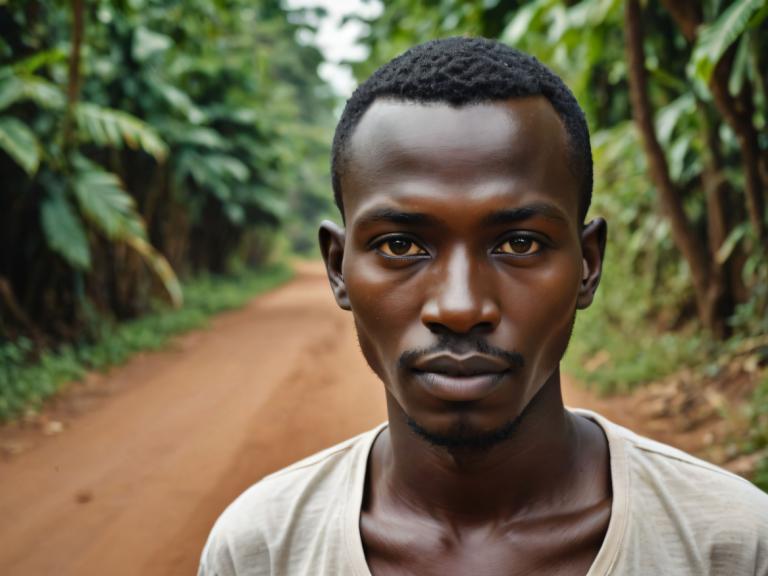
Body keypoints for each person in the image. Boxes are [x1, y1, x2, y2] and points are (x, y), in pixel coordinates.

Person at [198, 37, 768, 576]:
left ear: (588, 265)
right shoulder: (262, 550)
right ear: (337, 269)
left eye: (519, 243)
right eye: (401, 246)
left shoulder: (731, 547)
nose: (461, 307)